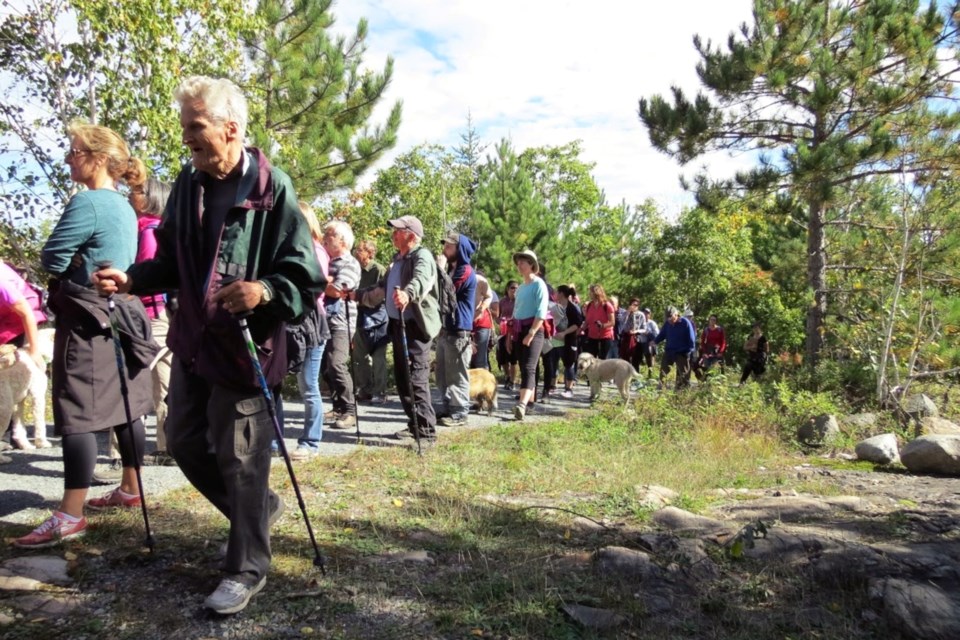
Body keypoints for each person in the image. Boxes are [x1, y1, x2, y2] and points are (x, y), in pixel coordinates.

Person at [91, 76, 324, 614]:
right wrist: (131, 279)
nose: (187, 140)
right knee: (184, 439)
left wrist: (265, 289)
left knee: (243, 459)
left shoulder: (273, 189)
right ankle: (258, 512)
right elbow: (171, 261)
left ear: (230, 128)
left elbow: (306, 277)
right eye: (185, 130)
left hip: (248, 349)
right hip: (194, 340)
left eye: (196, 128)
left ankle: (246, 568)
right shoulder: (189, 184)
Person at [14, 122, 155, 549]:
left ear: (97, 159)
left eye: (75, 151)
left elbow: (53, 256)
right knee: (127, 405)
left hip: (88, 317)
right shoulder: (125, 207)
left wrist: (70, 262)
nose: (68, 157)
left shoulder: (89, 202)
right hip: (123, 316)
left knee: (76, 411)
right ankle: (132, 487)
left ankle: (70, 514)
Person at [357, 215, 440, 445]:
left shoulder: (422, 256)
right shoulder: (397, 259)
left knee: (416, 378)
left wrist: (407, 294)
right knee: (403, 378)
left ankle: (427, 433)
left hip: (415, 326)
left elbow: (421, 279)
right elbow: (381, 290)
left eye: (398, 231)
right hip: (397, 325)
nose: (393, 234)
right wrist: (356, 296)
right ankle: (415, 425)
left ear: (411, 236)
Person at [128, 177, 176, 467]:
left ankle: (123, 453)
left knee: (137, 378)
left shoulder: (148, 232)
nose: (131, 195)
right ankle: (168, 444)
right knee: (163, 379)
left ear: (151, 198)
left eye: (137, 191)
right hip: (160, 313)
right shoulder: (159, 229)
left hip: (149, 314)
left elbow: (144, 278)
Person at [289, 202, 330, 461]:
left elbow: (317, 287)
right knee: (276, 382)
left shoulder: (316, 251)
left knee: (308, 385)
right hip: (290, 324)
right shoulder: (290, 249)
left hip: (313, 324)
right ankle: (272, 439)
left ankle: (311, 442)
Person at [0, 260, 49, 453]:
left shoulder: (2, 282)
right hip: (3, 313)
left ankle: (8, 434)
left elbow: (26, 312)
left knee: (7, 378)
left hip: (20, 316)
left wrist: (34, 352)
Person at [320, 220, 360, 431]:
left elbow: (337, 290)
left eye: (330, 234)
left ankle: (350, 411)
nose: (325, 237)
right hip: (323, 319)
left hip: (341, 322)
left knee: (337, 364)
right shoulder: (327, 261)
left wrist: (317, 280)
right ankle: (337, 407)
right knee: (326, 368)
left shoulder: (349, 263)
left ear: (342, 240)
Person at [435, 231, 478, 427]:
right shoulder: (451, 270)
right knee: (443, 374)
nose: (445, 249)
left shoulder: (465, 270)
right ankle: (447, 407)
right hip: (446, 329)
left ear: (459, 249)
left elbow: (449, 292)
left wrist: (440, 270)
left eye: (449, 246)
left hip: (459, 330)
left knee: (457, 374)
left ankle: (460, 411)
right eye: (445, 245)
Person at [509, 249, 548, 420]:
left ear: (531, 264)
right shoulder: (520, 288)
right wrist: (511, 336)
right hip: (519, 330)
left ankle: (522, 405)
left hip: (534, 329)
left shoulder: (539, 284)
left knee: (529, 367)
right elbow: (515, 313)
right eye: (518, 262)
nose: (520, 265)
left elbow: (541, 312)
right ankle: (530, 404)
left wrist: (531, 333)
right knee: (524, 366)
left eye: (523, 261)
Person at [351, 239, 388, 404]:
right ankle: (364, 389)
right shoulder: (354, 269)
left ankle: (380, 392)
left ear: (370, 253)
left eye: (360, 250)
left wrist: (361, 299)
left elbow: (382, 295)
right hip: (359, 318)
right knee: (360, 356)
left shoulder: (379, 270)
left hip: (377, 319)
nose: (356, 252)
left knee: (379, 357)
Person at [654, 306, 696, 390]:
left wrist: (688, 352)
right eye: (668, 319)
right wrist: (654, 341)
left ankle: (680, 391)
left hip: (682, 351)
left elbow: (691, 339)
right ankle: (661, 387)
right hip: (669, 350)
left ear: (676, 315)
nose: (670, 321)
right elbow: (662, 334)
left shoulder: (685, 323)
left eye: (671, 318)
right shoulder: (667, 324)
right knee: (663, 369)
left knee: (683, 375)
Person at [553, 285, 583, 399]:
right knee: (554, 360)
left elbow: (577, 324)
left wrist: (565, 333)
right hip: (557, 338)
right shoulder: (557, 307)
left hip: (570, 339)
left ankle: (569, 389)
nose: (555, 294)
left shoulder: (572, 308)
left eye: (557, 292)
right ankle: (552, 386)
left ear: (561, 293)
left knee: (569, 363)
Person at [496, 280, 519, 388]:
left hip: (514, 332)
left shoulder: (519, 301)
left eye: (516, 288)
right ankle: (507, 376)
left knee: (513, 358)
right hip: (503, 332)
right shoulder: (502, 301)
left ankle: (513, 381)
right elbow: (498, 316)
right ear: (507, 289)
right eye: (512, 288)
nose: (514, 290)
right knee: (502, 358)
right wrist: (501, 320)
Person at [583, 284, 615, 359]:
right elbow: (586, 321)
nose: (589, 294)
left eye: (591, 292)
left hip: (605, 337)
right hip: (592, 337)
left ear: (596, 293)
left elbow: (612, 322)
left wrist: (603, 325)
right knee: (591, 360)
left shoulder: (607, 305)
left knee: (603, 360)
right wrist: (580, 330)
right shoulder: (589, 305)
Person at [470, 270, 494, 370]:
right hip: (464, 323)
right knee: (467, 358)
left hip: (481, 322)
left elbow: (489, 296)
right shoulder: (454, 277)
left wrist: (481, 309)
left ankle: (485, 383)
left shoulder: (479, 280)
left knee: (480, 358)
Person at [697, 314, 727, 379]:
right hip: (708, 351)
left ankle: (719, 382)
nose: (712, 321)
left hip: (717, 351)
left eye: (714, 320)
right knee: (707, 368)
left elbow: (723, 342)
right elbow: (702, 342)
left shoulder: (720, 330)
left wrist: (721, 352)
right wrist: (704, 352)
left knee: (716, 367)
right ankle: (706, 382)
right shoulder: (706, 330)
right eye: (711, 319)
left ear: (716, 321)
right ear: (709, 320)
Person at [620, 298, 643, 369]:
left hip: (636, 338)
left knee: (635, 359)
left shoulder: (641, 315)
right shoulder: (625, 313)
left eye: (636, 305)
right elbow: (621, 322)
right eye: (632, 304)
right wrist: (628, 312)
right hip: (626, 337)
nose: (634, 306)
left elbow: (644, 329)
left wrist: (636, 331)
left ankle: (635, 375)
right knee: (625, 358)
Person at [637, 307, 659, 378]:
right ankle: (636, 373)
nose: (646, 314)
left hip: (649, 342)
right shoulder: (638, 323)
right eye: (645, 313)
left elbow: (657, 335)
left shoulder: (652, 323)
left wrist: (648, 333)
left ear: (650, 314)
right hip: (640, 342)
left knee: (649, 350)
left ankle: (650, 373)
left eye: (648, 313)